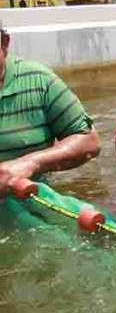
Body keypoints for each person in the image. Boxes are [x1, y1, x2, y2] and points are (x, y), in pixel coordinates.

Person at [0, 22, 100, 198]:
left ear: (5, 43)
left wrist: (29, 163)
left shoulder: (39, 82)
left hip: (28, 201)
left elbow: (89, 141)